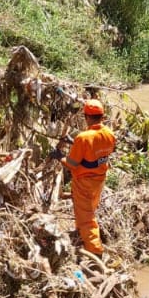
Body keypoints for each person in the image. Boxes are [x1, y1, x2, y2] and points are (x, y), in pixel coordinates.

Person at [51, 99, 116, 256]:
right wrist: (73, 143)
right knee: (87, 210)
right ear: (102, 116)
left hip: (84, 182)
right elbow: (95, 152)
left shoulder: (83, 137)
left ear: (86, 117)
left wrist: (59, 156)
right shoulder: (109, 133)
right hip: (99, 179)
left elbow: (72, 164)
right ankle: (81, 234)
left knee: (86, 217)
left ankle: (95, 251)